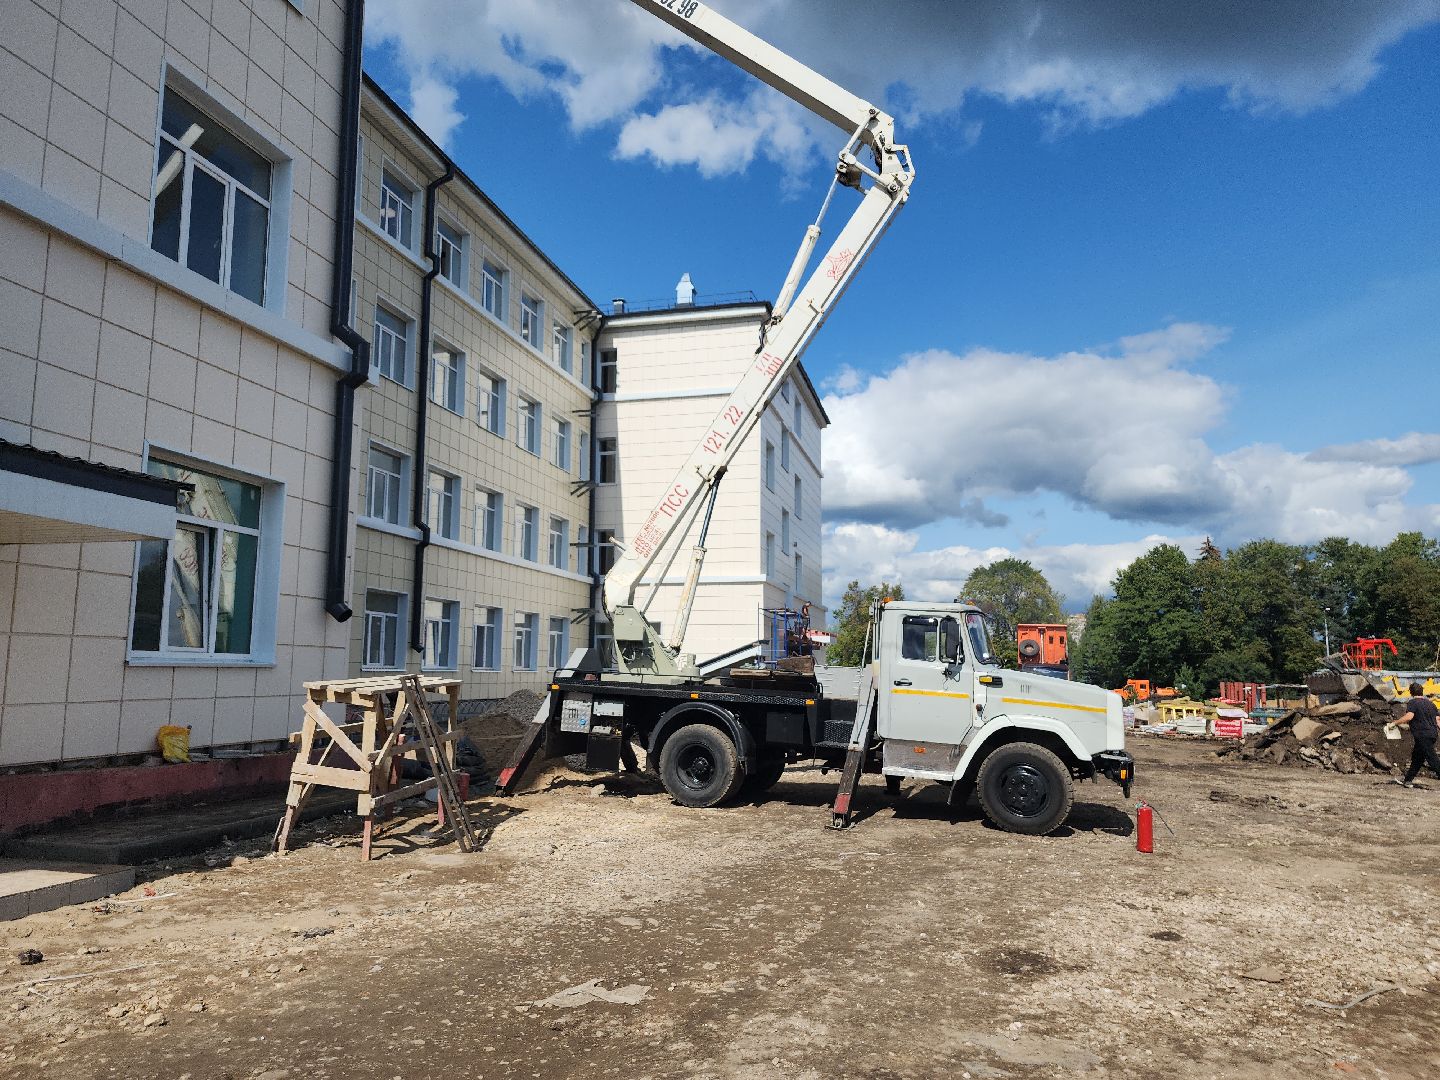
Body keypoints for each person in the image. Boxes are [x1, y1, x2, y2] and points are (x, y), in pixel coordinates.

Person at [1392, 683, 1440, 789]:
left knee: (1432, 758)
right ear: (1422, 691)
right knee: (1417, 758)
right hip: (1432, 734)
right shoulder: (1431, 704)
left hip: (1422, 734)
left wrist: (1395, 723)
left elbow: (1409, 717)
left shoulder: (1413, 702)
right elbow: (1438, 720)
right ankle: (1408, 780)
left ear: (1411, 692)